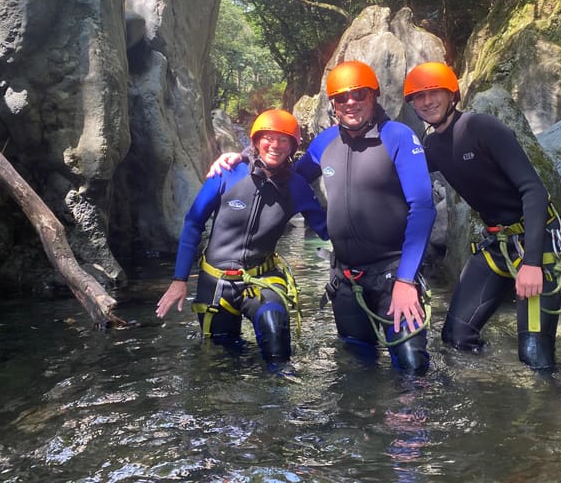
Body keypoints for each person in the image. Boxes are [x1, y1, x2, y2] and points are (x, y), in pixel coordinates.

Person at [212, 61, 436, 374]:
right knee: (354, 367)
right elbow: (284, 176)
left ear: (374, 96)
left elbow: (423, 207)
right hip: (346, 279)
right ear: (332, 105)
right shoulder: (326, 141)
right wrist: (243, 158)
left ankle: (411, 422)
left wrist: (406, 281)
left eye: (359, 94)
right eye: (342, 98)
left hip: (393, 275)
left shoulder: (398, 137)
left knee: (412, 368)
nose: (351, 103)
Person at [403, 62, 561, 371]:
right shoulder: (431, 145)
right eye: (418, 96)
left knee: (535, 356)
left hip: (538, 241)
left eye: (433, 93)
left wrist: (532, 264)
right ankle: (492, 391)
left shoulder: (481, 127)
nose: (427, 101)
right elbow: (399, 179)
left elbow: (534, 192)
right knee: (456, 337)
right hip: (497, 242)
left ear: (451, 93)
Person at [156, 109, 328, 367]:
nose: (275, 145)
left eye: (283, 140)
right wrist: (179, 280)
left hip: (262, 279)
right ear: (256, 141)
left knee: (275, 330)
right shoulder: (228, 172)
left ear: (293, 146)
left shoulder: (297, 186)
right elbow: (194, 222)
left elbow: (327, 229)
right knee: (222, 360)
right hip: (216, 281)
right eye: (268, 137)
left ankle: (278, 398)